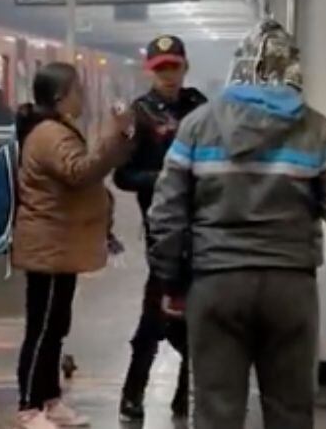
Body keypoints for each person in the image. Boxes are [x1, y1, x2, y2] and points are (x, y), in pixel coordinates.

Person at [147, 20, 326, 429]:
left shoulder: (198, 125)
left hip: (217, 283)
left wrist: (170, 281)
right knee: (291, 411)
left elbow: (166, 212)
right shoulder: (318, 130)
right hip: (291, 287)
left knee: (217, 409)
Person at [11, 63, 134, 429]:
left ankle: (50, 400)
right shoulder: (50, 134)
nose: (84, 95)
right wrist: (113, 134)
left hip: (59, 245)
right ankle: (28, 406)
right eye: (78, 90)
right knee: (43, 327)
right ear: (60, 97)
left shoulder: (57, 130)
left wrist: (119, 139)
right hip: (47, 246)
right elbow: (80, 172)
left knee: (55, 325)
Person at [113, 35, 207, 422]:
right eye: (161, 69)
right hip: (162, 229)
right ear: (150, 71)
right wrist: (167, 178)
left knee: (198, 316)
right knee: (154, 314)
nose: (168, 75)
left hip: (202, 226)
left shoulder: (201, 109)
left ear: (185, 67)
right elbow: (123, 176)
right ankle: (133, 393)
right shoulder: (140, 114)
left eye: (174, 67)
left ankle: (186, 394)